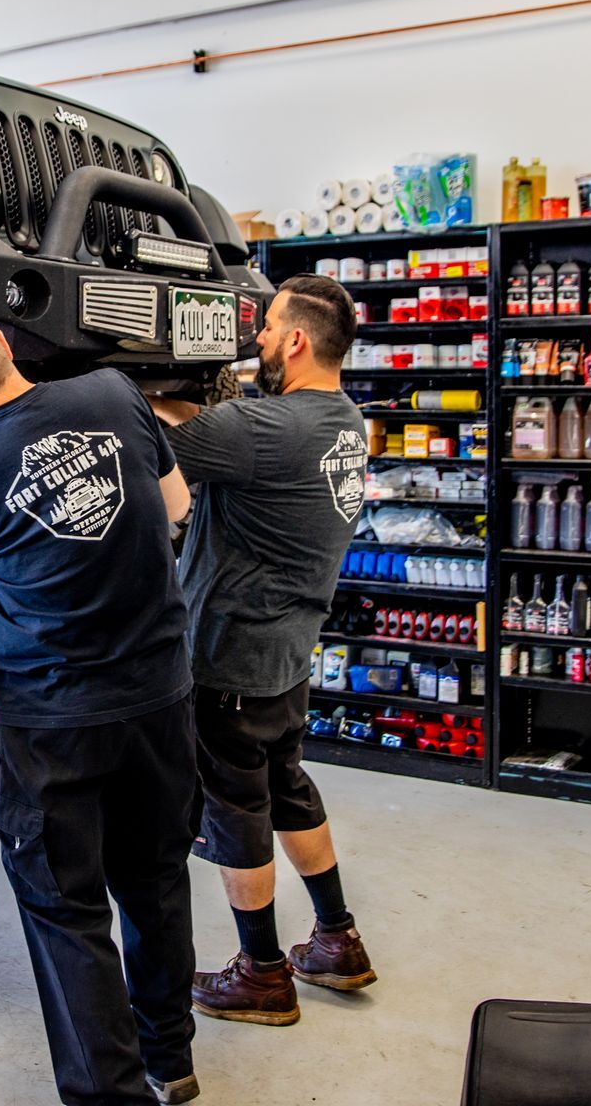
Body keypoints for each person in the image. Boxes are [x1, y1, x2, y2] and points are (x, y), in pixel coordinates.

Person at [0, 302, 202, 1106]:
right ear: (2, 344)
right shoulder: (110, 392)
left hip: (53, 719)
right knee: (157, 877)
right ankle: (171, 1060)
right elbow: (177, 510)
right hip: (158, 698)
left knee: (63, 907)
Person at [147, 274, 376, 1028]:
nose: (260, 339)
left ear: (299, 340)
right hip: (286, 653)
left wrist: (117, 388)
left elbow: (156, 440)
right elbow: (221, 426)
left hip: (230, 656)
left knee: (236, 807)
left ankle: (262, 973)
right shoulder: (342, 422)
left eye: (270, 326)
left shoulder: (265, 430)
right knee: (286, 786)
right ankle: (337, 941)